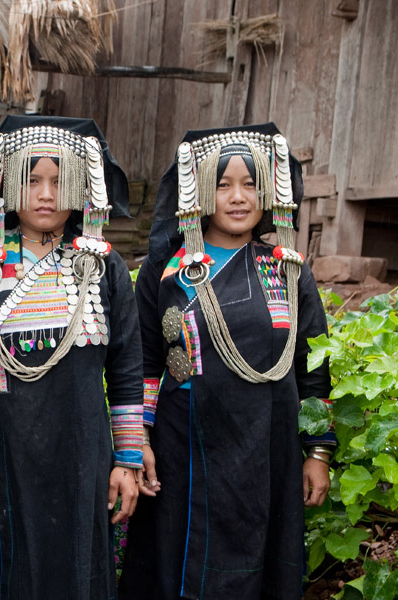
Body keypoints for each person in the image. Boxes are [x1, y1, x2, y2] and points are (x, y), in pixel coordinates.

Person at [119, 124, 334, 600]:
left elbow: (313, 367)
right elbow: (146, 361)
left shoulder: (287, 268)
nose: (238, 198)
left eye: (250, 183)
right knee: (181, 564)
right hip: (186, 448)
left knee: (261, 561)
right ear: (197, 192)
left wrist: (317, 453)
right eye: (222, 184)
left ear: (269, 190)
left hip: (267, 448)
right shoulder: (168, 270)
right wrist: (140, 442)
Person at [0, 116, 143, 599]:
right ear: (7, 185)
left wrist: (126, 459)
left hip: (81, 450)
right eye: (32, 180)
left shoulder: (103, 268)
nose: (45, 193)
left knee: (76, 567)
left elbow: (126, 371)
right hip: (3, 450)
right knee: (3, 566)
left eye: (60, 182)